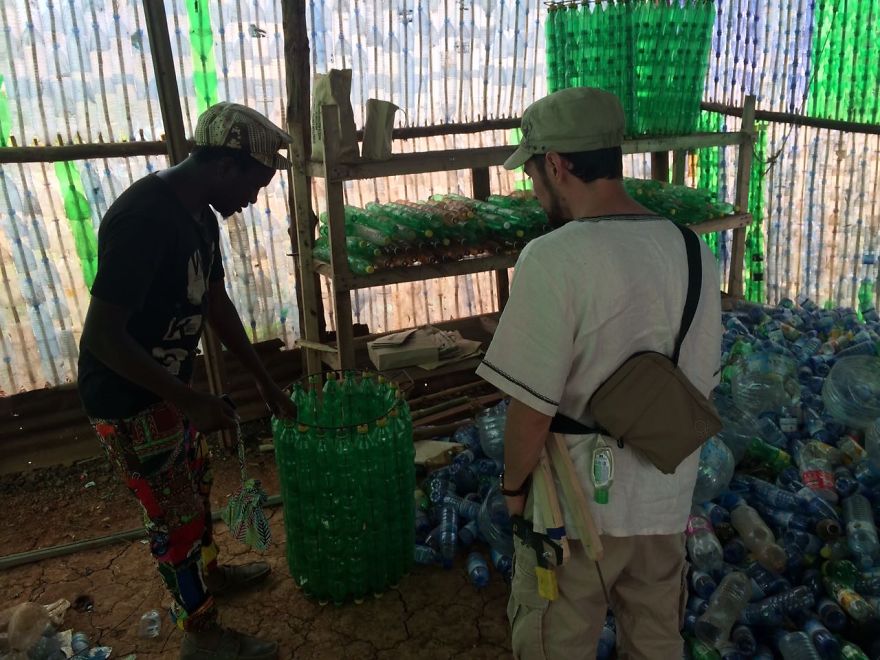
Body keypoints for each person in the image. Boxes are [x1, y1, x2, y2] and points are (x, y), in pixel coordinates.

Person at [476, 87, 722, 659]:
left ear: (556, 165)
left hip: (574, 510)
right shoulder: (692, 251)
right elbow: (700, 386)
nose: (534, 188)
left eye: (533, 173)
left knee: (555, 642)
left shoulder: (553, 257)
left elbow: (531, 410)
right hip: (664, 504)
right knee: (656, 643)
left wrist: (514, 492)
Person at [78, 102, 298, 660]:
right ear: (225, 166)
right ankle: (202, 638)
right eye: (254, 185)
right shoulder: (144, 220)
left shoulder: (199, 215)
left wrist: (264, 382)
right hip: (128, 399)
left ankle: (211, 576)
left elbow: (214, 302)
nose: (252, 201)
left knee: (194, 490)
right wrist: (189, 399)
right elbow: (102, 336)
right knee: (173, 523)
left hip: (169, 391)